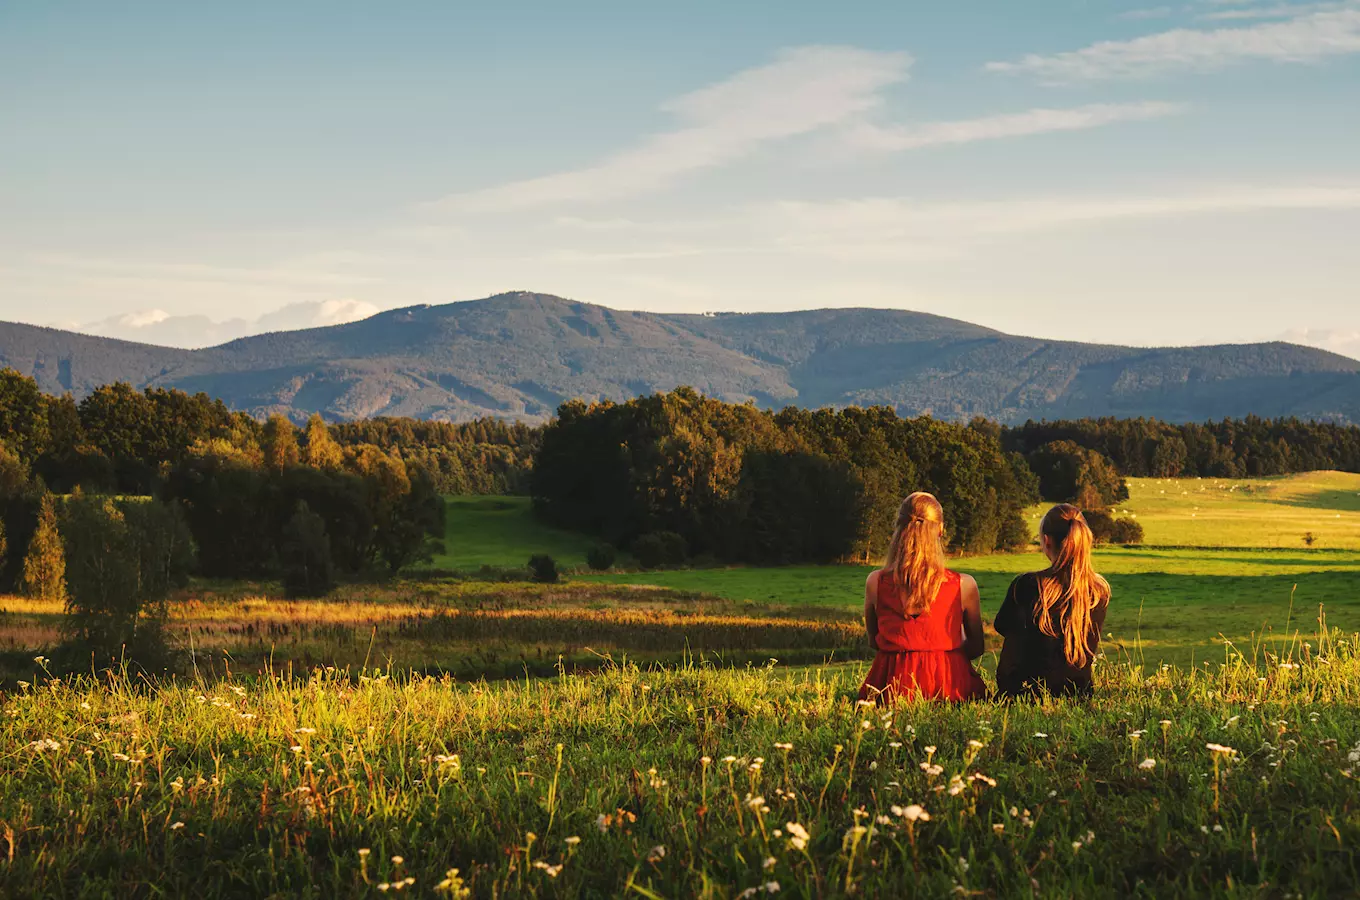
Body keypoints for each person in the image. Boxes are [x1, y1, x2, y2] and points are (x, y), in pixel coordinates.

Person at [858, 492, 987, 704]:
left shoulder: (875, 582)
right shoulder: (963, 585)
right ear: (941, 529)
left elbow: (874, 641)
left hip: (891, 685)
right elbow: (977, 647)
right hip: (949, 684)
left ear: (898, 527)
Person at [995, 504, 1111, 699]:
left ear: (1047, 541)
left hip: (1024, 693)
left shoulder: (1027, 584)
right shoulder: (1099, 591)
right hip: (1078, 694)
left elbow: (1002, 626)